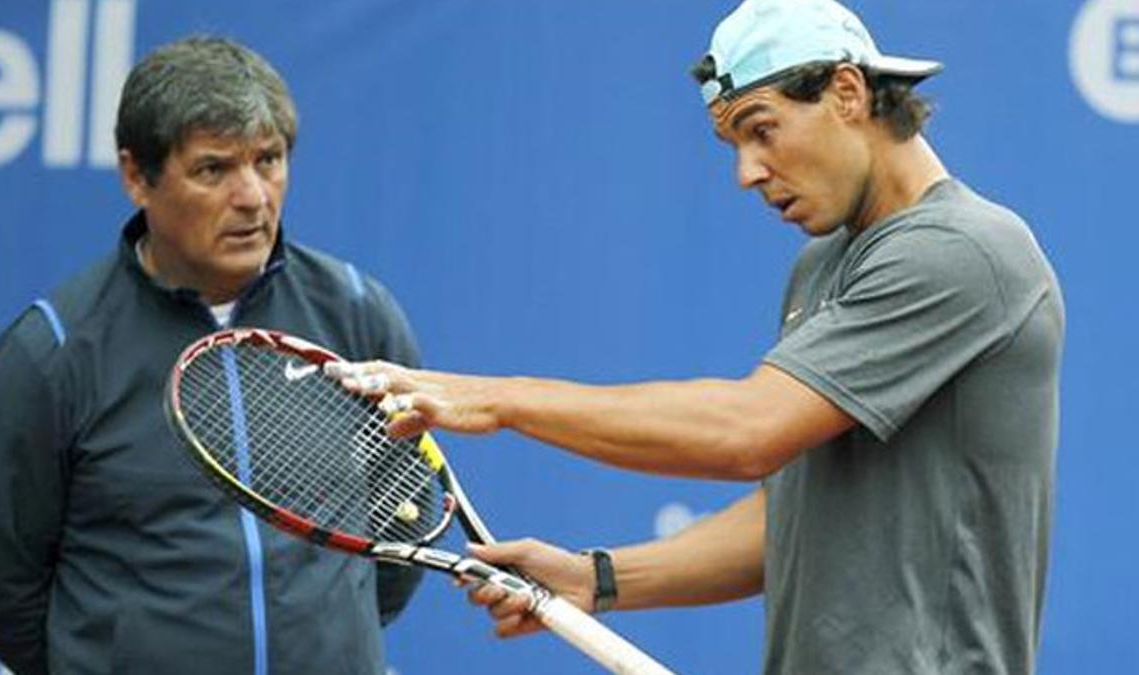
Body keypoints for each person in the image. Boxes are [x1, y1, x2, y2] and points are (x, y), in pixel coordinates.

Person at [330, 0, 1065, 672]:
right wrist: (599, 578)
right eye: (733, 142)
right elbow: (798, 513)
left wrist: (500, 400)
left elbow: (747, 432)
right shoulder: (825, 266)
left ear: (847, 93)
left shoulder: (962, 250)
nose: (747, 171)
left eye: (762, 128)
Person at [0, 36, 424, 675]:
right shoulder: (52, 353)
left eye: (269, 159)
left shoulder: (359, 314)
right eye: (214, 169)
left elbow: (403, 523)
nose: (254, 196)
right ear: (134, 177)